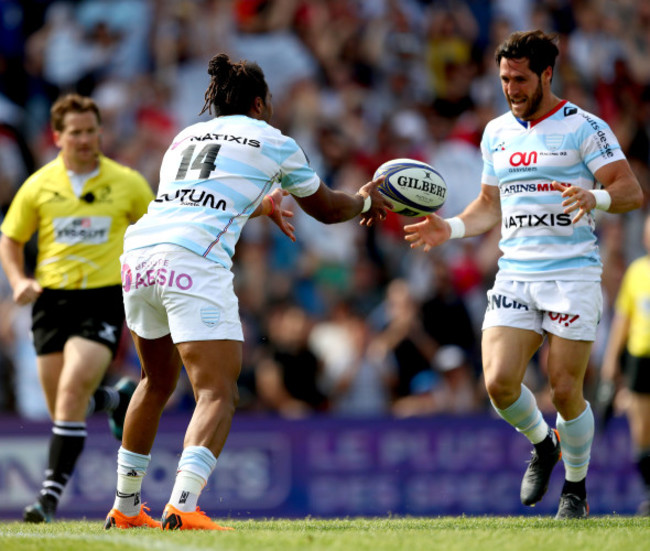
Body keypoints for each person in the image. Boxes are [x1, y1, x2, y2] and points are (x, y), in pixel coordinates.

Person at [103, 52, 389, 531]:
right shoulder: (274, 141)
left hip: (140, 257)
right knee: (217, 391)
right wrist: (365, 198)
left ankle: (126, 507)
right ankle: (183, 505)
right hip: (192, 261)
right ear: (260, 103)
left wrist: (261, 208)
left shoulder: (184, 137)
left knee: (155, 384)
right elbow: (325, 208)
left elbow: (198, 198)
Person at [404, 30, 643, 519]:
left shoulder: (583, 127)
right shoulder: (497, 132)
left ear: (546, 75)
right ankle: (544, 443)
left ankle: (575, 489)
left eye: (520, 79)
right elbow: (489, 206)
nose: (511, 88)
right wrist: (447, 228)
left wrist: (594, 197)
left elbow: (631, 190)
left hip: (572, 274)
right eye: (504, 79)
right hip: (516, 273)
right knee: (498, 383)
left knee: (563, 388)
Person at [0, 94, 155, 523]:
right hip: (50, 302)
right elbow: (10, 239)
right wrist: (19, 281)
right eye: (76, 132)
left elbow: (158, 229)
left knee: (70, 394)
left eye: (91, 130)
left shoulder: (127, 183)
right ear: (58, 136)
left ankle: (47, 499)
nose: (85, 139)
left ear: (100, 132)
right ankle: (116, 398)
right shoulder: (39, 184)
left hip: (102, 299)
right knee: (64, 409)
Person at [598, 213, 650, 516]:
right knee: (641, 428)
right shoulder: (637, 271)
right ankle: (648, 492)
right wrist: (610, 367)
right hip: (641, 358)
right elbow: (623, 320)